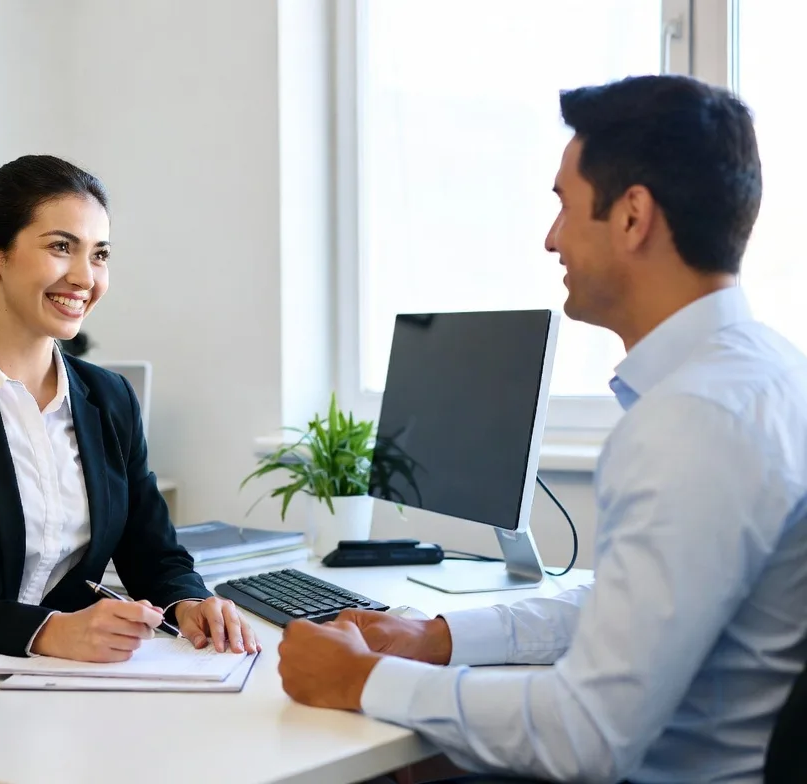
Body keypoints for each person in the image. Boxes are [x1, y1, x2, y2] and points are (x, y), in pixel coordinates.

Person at [277, 74, 807, 782]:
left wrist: (362, 681)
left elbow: (586, 735)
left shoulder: (691, 423)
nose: (551, 239)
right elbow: (628, 610)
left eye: (564, 205)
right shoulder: (768, 374)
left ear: (632, 217)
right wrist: (438, 637)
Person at [0, 154, 259, 663]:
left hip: (61, 683)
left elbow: (154, 552)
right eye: (61, 247)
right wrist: (47, 632)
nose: (85, 277)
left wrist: (189, 602)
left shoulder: (110, 399)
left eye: (99, 254)